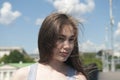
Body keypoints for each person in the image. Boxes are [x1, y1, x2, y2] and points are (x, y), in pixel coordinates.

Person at [11, 12, 88, 80]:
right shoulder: (22, 76)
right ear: (46, 39)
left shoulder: (79, 78)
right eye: (60, 38)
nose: (67, 46)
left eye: (71, 39)